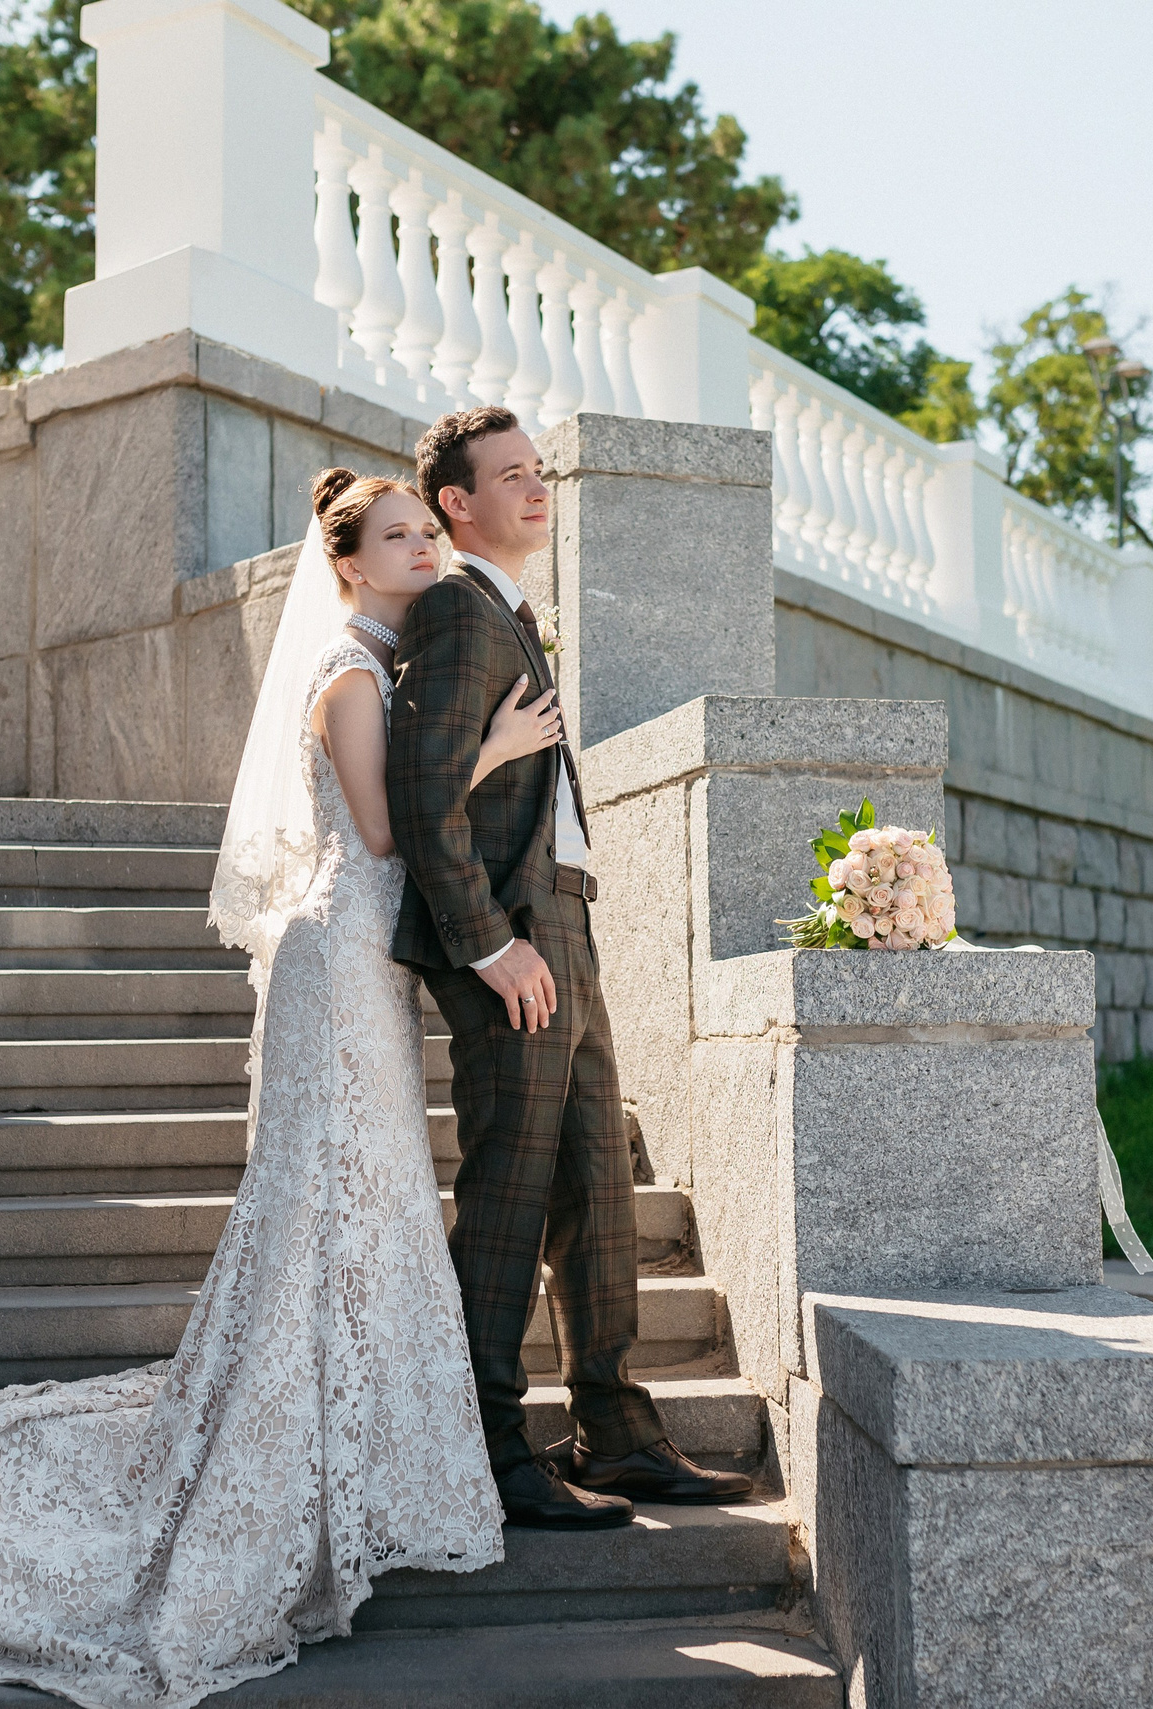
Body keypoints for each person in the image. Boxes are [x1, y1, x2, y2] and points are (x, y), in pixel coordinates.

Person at [0, 470, 570, 1707]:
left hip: (366, 964)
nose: (420, 547)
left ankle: (362, 1447)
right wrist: (498, 746)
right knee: (323, 1199)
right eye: (395, 537)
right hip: (335, 957)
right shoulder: (349, 676)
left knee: (365, 1199)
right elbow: (377, 830)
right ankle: (284, 1446)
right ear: (345, 562)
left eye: (427, 530)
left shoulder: (394, 660)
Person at [386, 406, 757, 1530]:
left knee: (596, 1183)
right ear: (456, 502)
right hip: (509, 937)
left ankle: (616, 1425)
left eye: (539, 473)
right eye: (511, 476)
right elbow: (421, 791)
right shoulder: (457, 609)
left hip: (565, 922)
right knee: (507, 1194)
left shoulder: (511, 611)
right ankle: (489, 1445)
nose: (537, 490)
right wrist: (488, 941)